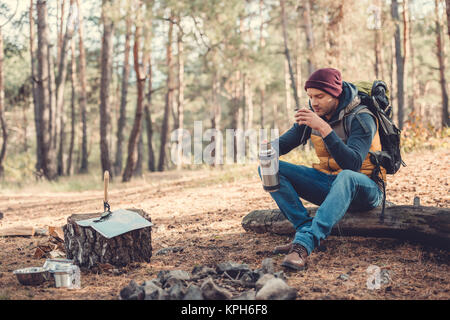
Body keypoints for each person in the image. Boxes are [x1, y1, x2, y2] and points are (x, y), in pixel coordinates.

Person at [259, 68, 386, 271]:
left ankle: (304, 245)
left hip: (366, 188)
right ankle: (305, 229)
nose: (314, 102)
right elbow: (283, 144)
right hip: (330, 184)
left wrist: (324, 129)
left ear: (335, 94)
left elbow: (352, 165)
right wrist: (267, 148)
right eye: (310, 96)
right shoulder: (315, 114)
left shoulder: (362, 117)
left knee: (346, 176)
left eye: (320, 96)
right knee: (269, 167)